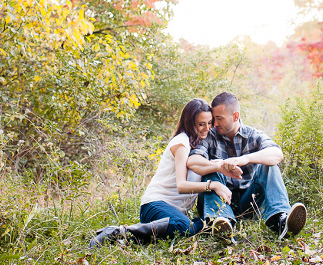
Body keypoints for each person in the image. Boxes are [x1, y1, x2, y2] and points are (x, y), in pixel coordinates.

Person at [90, 98, 236, 247]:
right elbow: (182, 185)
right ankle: (118, 231)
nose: (207, 128)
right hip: (155, 206)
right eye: (201, 124)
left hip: (170, 216)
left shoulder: (198, 146)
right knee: (185, 228)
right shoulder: (182, 143)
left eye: (209, 123)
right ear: (190, 123)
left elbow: (205, 166)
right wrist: (212, 185)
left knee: (203, 226)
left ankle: (123, 241)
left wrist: (220, 165)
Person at [187, 91, 306, 240]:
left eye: (219, 119)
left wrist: (245, 159)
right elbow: (192, 161)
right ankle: (221, 224)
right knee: (211, 169)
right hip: (220, 201)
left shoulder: (253, 135)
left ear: (235, 116)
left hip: (249, 201)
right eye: (213, 119)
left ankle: (281, 220)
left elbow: (277, 154)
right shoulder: (210, 136)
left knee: (269, 165)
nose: (215, 124)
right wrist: (219, 166)